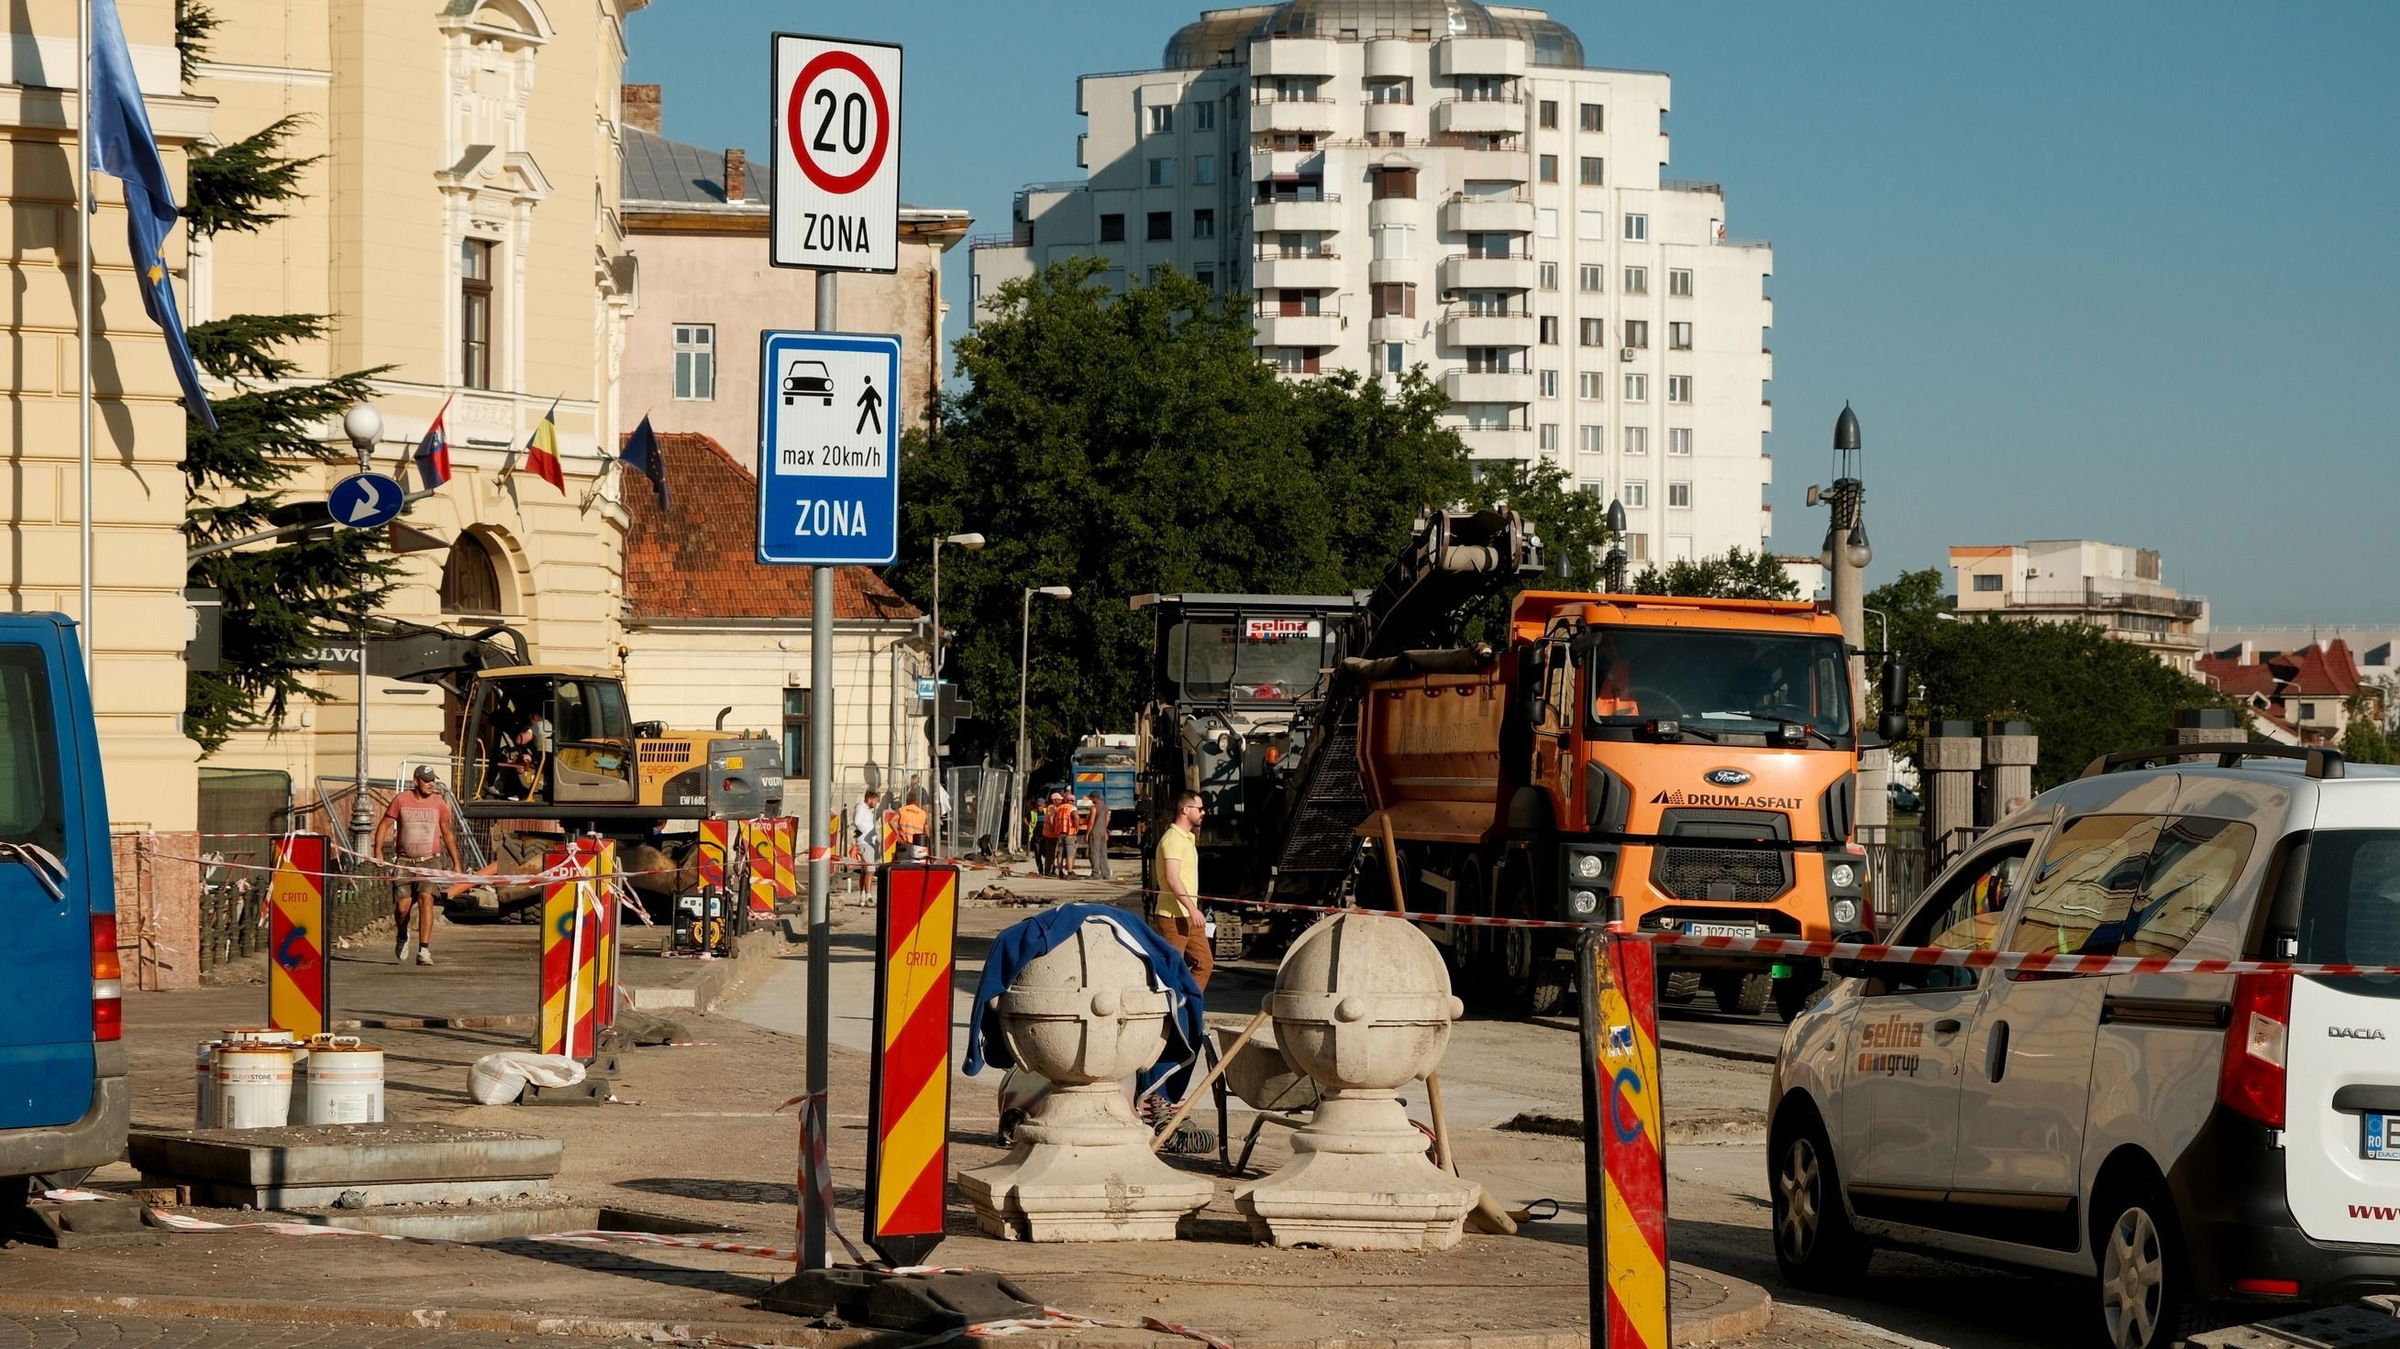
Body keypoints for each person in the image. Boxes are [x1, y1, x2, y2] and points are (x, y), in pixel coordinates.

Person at [373, 766, 459, 966]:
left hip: (430, 860)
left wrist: (457, 863)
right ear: (416, 781)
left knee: (426, 899)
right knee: (403, 907)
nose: (431, 784)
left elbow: (447, 833)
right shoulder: (401, 800)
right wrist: (377, 852)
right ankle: (402, 934)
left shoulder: (438, 802)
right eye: (427, 780)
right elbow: (384, 825)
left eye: (433, 780)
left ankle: (424, 950)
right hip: (404, 861)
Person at [1148, 790, 1211, 991]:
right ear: (1185, 810)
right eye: (1199, 808)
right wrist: (1193, 909)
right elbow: (1172, 878)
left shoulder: (1187, 839)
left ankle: (1188, 1008)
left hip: (1188, 917)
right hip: (1173, 918)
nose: (1203, 812)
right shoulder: (1173, 840)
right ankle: (1171, 1016)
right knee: (1171, 972)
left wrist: (1192, 911)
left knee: (1204, 963)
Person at [850, 788, 883, 900]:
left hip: (868, 841)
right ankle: (868, 896)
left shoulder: (866, 810)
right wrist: (867, 832)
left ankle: (862, 896)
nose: (877, 803)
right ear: (870, 799)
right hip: (865, 841)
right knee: (870, 869)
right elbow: (857, 822)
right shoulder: (861, 808)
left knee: (865, 870)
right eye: (876, 800)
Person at [1084, 793, 1112, 882]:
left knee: (1094, 853)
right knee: (1103, 853)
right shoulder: (1106, 807)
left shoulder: (1094, 808)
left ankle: (1095, 873)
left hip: (1095, 832)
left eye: (1091, 798)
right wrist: (1104, 828)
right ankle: (1105, 874)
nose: (1090, 800)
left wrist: (1088, 833)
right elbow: (1107, 819)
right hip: (1103, 832)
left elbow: (1091, 821)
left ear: (1095, 798)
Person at [896, 789, 930, 861]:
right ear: (916, 801)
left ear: (907, 801)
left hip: (904, 843)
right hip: (919, 844)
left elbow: (891, 821)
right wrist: (927, 845)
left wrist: (898, 835)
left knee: (903, 867)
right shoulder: (923, 813)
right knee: (918, 868)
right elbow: (927, 831)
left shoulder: (902, 810)